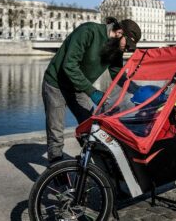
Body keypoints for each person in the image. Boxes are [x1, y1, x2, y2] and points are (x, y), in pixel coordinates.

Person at [42, 17, 141, 163]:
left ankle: (88, 168)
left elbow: (117, 74)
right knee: (56, 133)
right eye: (127, 45)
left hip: (79, 88)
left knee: (90, 129)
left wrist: (137, 90)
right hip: (56, 85)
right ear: (120, 32)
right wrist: (92, 92)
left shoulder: (116, 47)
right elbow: (69, 65)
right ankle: (57, 171)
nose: (126, 50)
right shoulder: (88, 32)